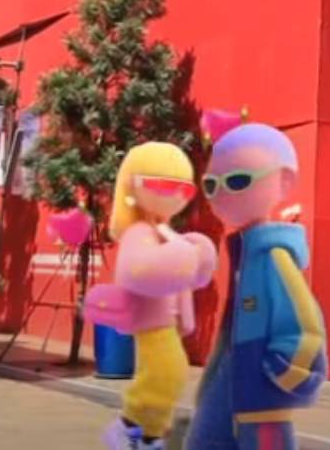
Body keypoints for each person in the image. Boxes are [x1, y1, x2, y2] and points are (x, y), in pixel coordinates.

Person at [185, 111, 327, 450]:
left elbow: (304, 328)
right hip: (231, 382)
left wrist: (280, 375)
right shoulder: (245, 256)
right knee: (205, 440)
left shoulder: (272, 257)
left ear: (284, 182)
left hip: (260, 398)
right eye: (211, 184)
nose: (221, 193)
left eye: (237, 181)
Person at [84, 142, 218, 450]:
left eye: (184, 189)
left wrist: (194, 259)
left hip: (166, 321)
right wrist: (182, 258)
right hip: (150, 319)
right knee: (165, 372)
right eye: (163, 186)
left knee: (171, 372)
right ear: (133, 185)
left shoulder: (163, 230)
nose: (175, 195)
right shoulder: (139, 232)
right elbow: (136, 270)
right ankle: (131, 427)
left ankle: (150, 433)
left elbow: (183, 276)